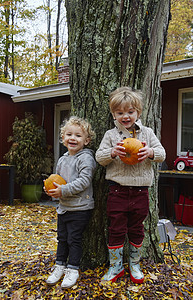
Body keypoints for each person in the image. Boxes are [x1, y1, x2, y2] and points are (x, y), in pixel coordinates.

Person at [95, 87, 166, 284]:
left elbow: (162, 154)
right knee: (116, 228)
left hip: (141, 191)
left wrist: (150, 152)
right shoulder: (111, 135)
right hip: (117, 190)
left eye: (130, 112)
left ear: (138, 112)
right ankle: (115, 266)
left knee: (137, 228)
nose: (125, 116)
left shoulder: (147, 133)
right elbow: (99, 157)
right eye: (120, 113)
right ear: (114, 114)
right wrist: (112, 153)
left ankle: (135, 264)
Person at [45, 116, 96, 288]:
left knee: (74, 239)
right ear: (63, 138)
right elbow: (57, 180)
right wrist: (51, 190)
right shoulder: (62, 159)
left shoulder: (86, 158)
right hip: (64, 207)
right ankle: (59, 266)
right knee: (62, 238)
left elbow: (84, 181)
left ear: (86, 140)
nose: (72, 138)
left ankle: (73, 269)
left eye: (78, 136)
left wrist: (63, 190)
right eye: (69, 134)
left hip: (80, 207)